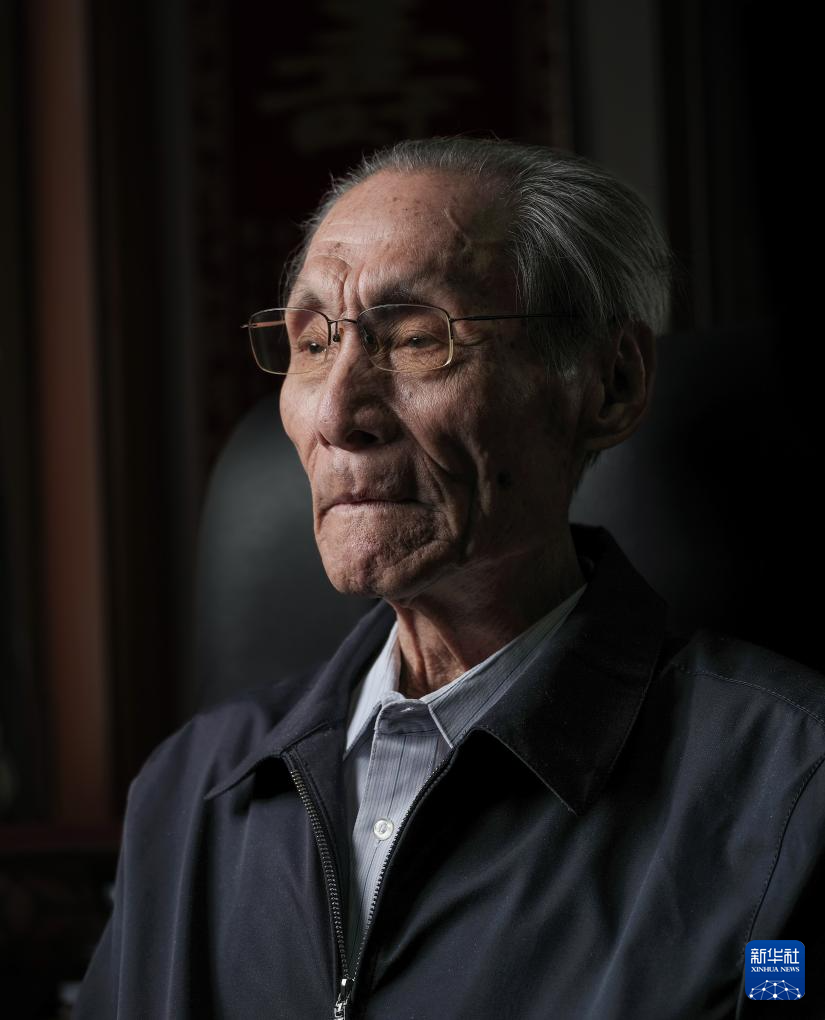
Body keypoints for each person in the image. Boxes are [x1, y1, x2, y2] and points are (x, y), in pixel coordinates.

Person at [76, 138, 825, 1019]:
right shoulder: (189, 790)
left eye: (414, 338)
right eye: (311, 343)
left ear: (610, 384)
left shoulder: (789, 789)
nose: (337, 413)